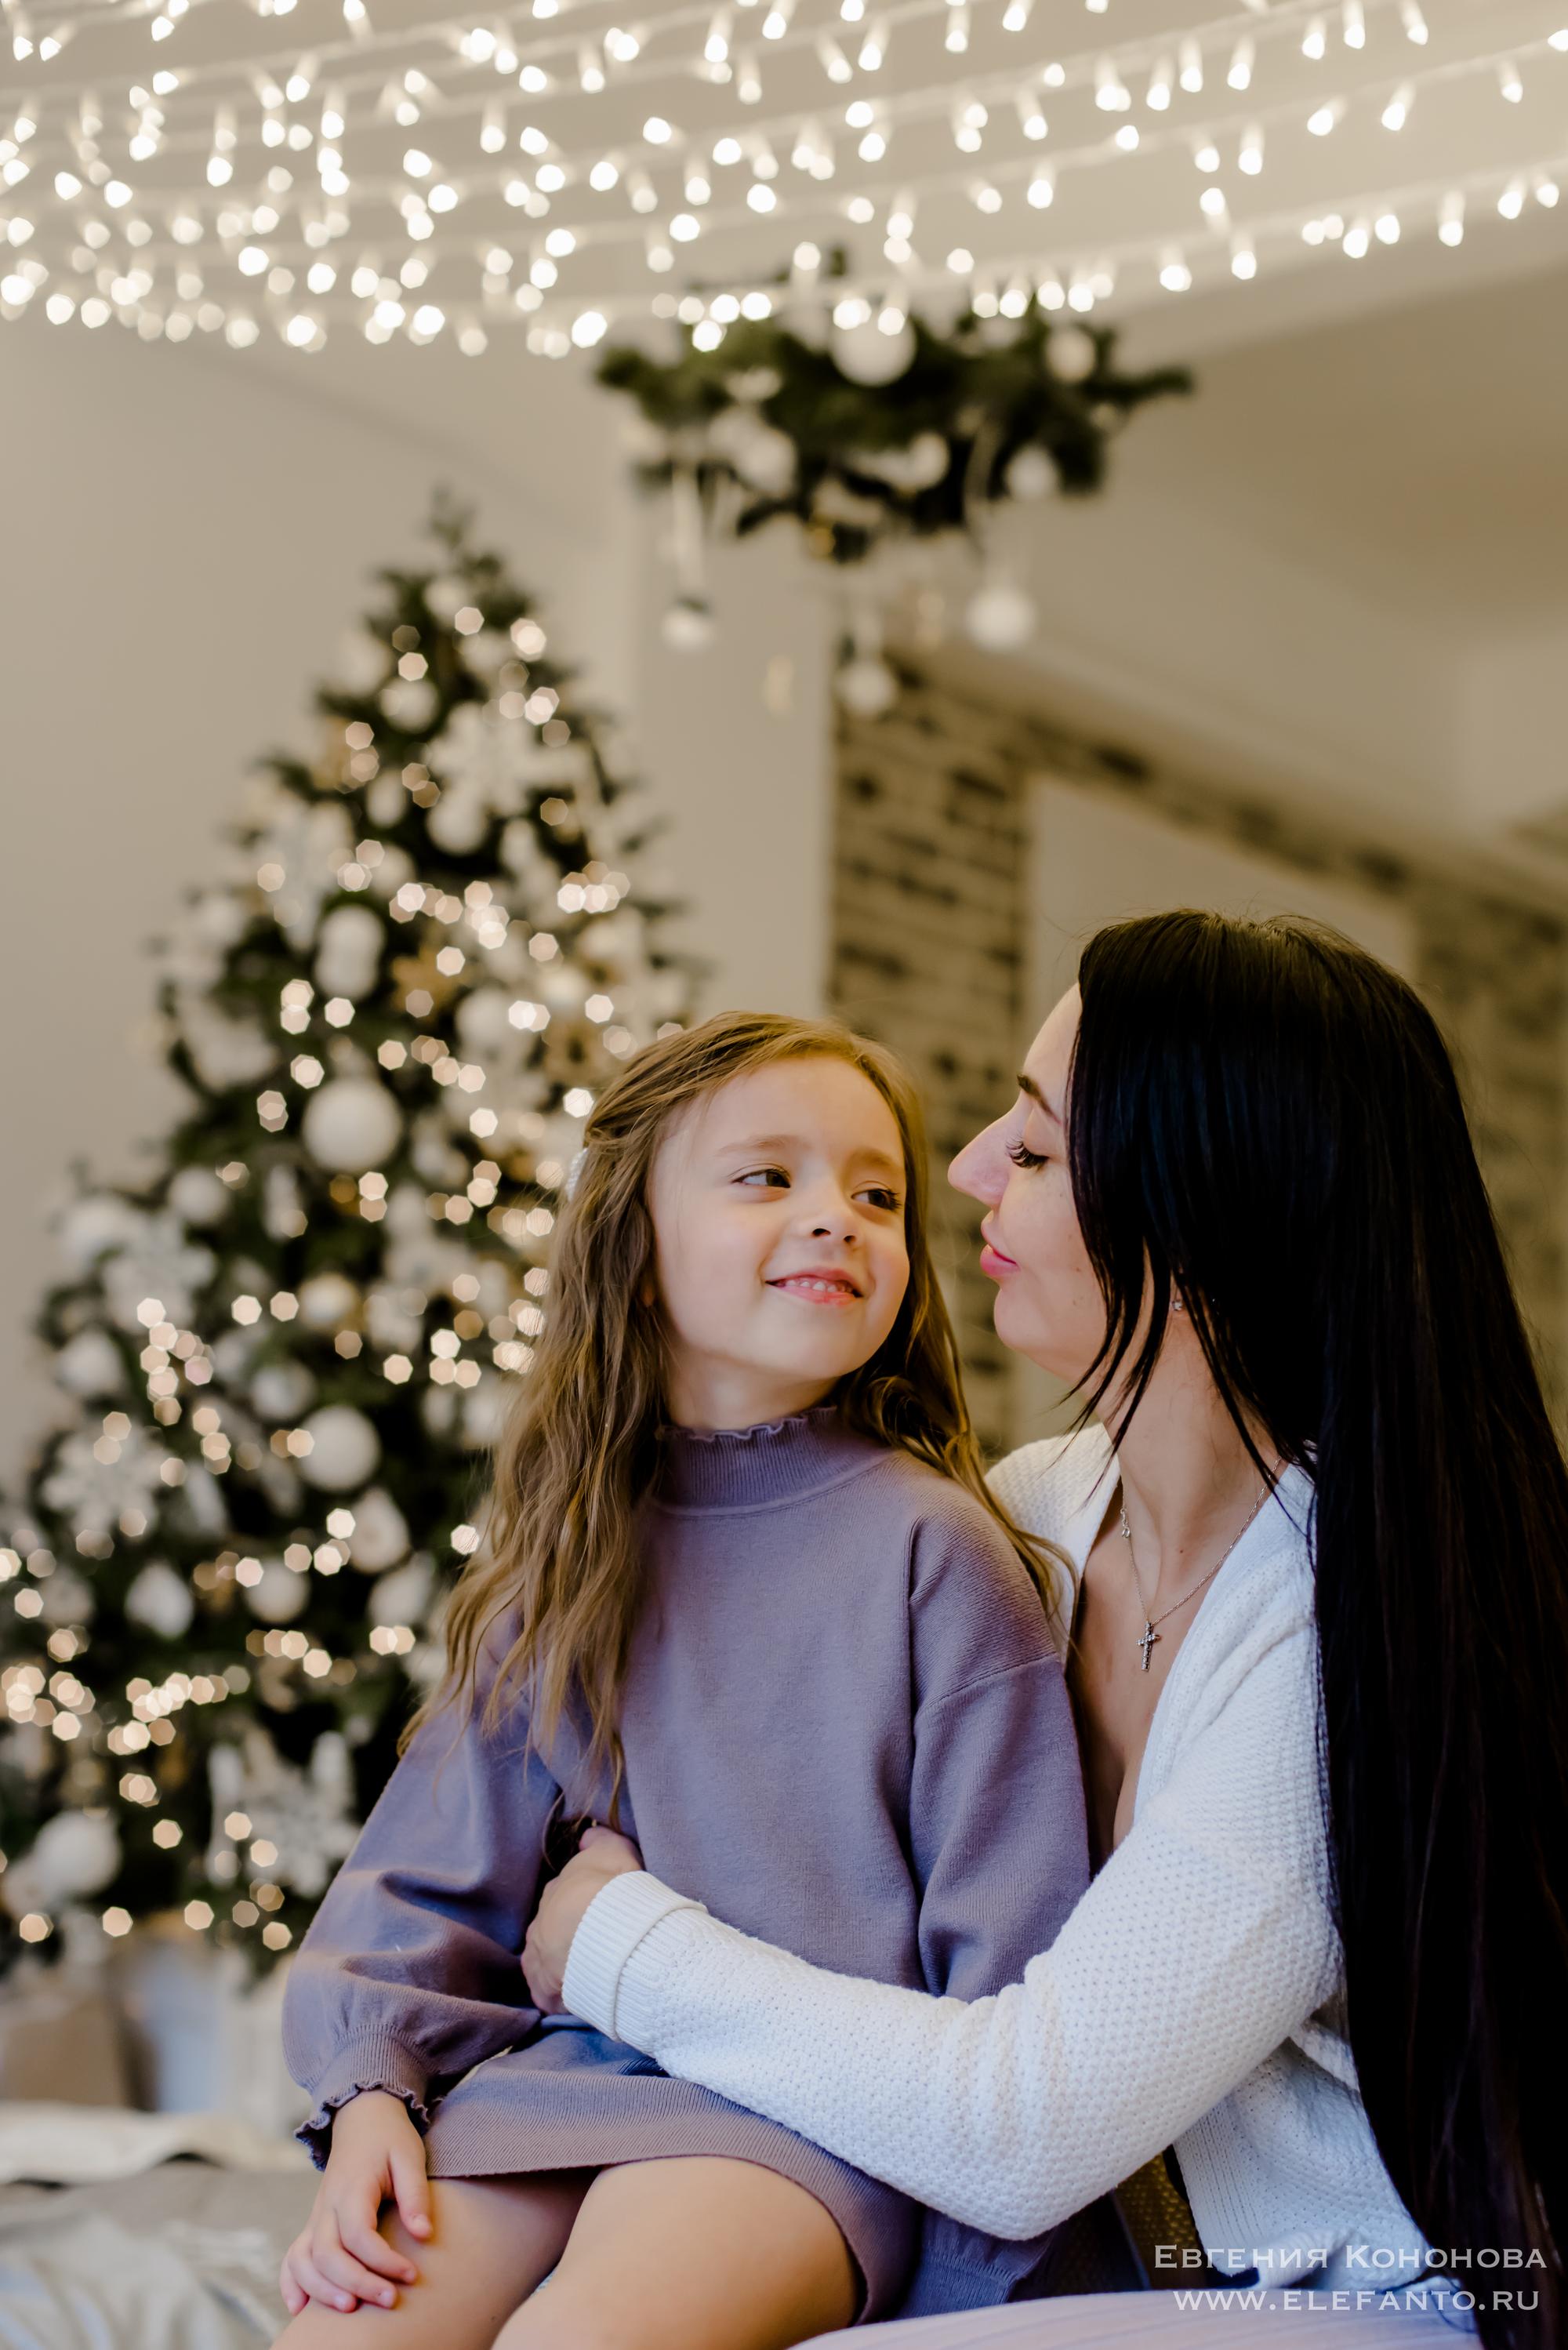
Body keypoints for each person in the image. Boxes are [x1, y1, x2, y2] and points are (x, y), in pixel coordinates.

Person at [524, 913, 1568, 2350]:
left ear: (1193, 1212)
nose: (961, 1173)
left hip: (1381, 2312)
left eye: (1029, 1147)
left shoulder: (1343, 1627)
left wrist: (615, 1942)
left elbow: (1024, 2124)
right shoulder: (1034, 1518)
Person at [275, 1009, 1091, 2348]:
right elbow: (417, 1883)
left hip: (803, 2125)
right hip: (564, 2087)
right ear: (636, 1251)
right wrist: (373, 2093)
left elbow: (1012, 1976)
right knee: (344, 2335)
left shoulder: (940, 1551)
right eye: (768, 1176)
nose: (837, 1215)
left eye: (875, 1190)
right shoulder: (572, 1562)